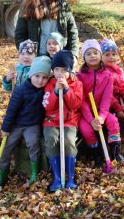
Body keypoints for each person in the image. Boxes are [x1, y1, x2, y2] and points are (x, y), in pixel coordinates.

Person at [0, 56, 52, 187]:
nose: (40, 80)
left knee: (33, 144)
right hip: (17, 125)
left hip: (33, 125)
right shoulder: (20, 90)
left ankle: (34, 172)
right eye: (37, 76)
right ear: (31, 75)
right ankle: (2, 175)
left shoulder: (46, 90)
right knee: (6, 148)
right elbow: (11, 111)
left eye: (44, 77)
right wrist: (6, 128)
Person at [77, 39, 124, 166]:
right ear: (84, 58)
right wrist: (91, 119)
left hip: (101, 111)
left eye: (95, 53)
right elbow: (81, 100)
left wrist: (102, 117)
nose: (92, 56)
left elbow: (107, 97)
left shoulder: (107, 75)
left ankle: (116, 152)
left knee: (113, 121)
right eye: (88, 54)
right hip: (85, 114)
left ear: (100, 55)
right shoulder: (80, 76)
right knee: (86, 130)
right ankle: (97, 153)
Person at [14, 0, 79, 58]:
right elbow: (20, 35)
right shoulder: (27, 5)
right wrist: (27, 54)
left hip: (60, 57)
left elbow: (72, 30)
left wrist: (74, 54)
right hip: (38, 58)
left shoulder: (61, 2)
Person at [42, 50, 83, 191]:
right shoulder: (49, 84)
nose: (60, 73)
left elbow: (76, 105)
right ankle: (57, 178)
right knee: (51, 140)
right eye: (57, 69)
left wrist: (66, 91)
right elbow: (47, 105)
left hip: (69, 121)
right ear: (52, 70)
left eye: (64, 70)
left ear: (70, 70)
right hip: (51, 120)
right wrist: (55, 92)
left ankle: (70, 177)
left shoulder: (76, 84)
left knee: (69, 141)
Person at [99, 39, 124, 142]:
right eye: (107, 55)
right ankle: (114, 140)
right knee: (113, 117)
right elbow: (106, 94)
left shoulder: (118, 70)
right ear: (101, 57)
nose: (111, 57)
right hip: (109, 103)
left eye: (113, 54)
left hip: (121, 99)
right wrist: (117, 107)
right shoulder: (101, 73)